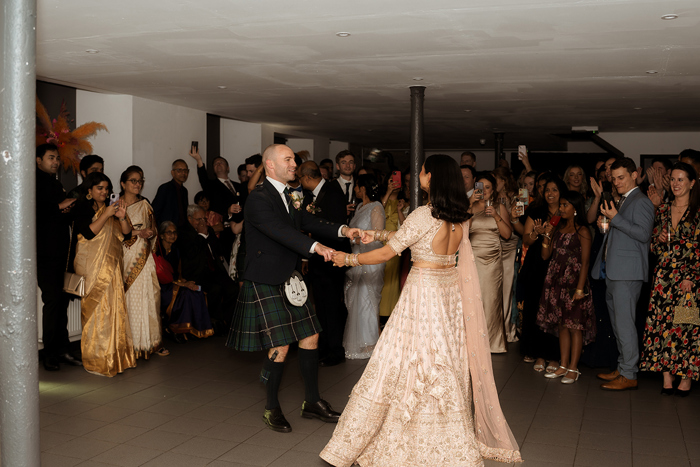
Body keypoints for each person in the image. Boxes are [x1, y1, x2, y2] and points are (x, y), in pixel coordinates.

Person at [320, 154, 521, 466]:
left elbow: (389, 252)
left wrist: (347, 259)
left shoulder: (423, 214)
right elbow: (410, 238)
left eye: (423, 171)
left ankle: (399, 433)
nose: (419, 175)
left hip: (421, 296)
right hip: (448, 297)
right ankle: (447, 435)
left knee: (402, 362)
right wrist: (378, 233)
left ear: (432, 177)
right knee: (443, 362)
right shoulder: (458, 216)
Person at [226, 144, 362, 433]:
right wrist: (315, 246)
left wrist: (342, 230)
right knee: (281, 343)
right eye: (288, 160)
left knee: (311, 335)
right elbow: (280, 230)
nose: (294, 164)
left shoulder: (293, 194)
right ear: (271, 165)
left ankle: (312, 402)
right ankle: (271, 407)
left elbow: (308, 221)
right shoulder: (258, 198)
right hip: (265, 277)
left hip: (289, 275)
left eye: (294, 159)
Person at [592, 158, 655, 391]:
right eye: (614, 178)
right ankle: (622, 368)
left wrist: (615, 218)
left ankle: (629, 373)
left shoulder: (641, 201)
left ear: (634, 175)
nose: (616, 182)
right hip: (614, 270)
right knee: (618, 324)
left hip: (627, 272)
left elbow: (643, 234)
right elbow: (621, 233)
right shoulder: (625, 200)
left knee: (625, 324)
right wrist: (605, 225)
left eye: (621, 177)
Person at [640, 162, 700, 396]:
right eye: (673, 179)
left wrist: (691, 276)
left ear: (692, 183)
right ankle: (666, 376)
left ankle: (685, 378)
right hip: (664, 277)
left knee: (686, 326)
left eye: (681, 179)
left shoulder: (697, 212)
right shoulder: (663, 209)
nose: (675, 184)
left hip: (688, 280)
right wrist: (660, 239)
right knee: (662, 325)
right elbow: (653, 244)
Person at [72, 172, 136, 377]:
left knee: (114, 311)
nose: (104, 192)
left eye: (107, 188)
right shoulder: (82, 207)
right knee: (96, 313)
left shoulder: (112, 208)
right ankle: (96, 360)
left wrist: (122, 216)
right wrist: (107, 214)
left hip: (112, 268)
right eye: (100, 188)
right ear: (89, 190)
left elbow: (126, 235)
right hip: (91, 269)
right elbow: (89, 233)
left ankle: (115, 357)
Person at [537, 191, 595, 384]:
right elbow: (545, 256)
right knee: (562, 324)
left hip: (574, 282)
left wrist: (579, 289)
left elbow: (586, 262)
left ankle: (573, 367)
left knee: (574, 326)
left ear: (575, 209)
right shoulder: (558, 229)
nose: (560, 209)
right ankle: (563, 365)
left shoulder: (583, 231)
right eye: (560, 205)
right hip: (556, 280)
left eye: (564, 205)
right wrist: (546, 235)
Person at [298, 160, 351, 367]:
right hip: (318, 259)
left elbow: (335, 226)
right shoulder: (313, 196)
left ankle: (335, 351)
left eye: (301, 178)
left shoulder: (333, 192)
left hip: (332, 259)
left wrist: (311, 228)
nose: (300, 182)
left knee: (331, 307)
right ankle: (324, 347)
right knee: (320, 306)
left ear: (308, 178)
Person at [36, 143, 82, 371]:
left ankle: (63, 349)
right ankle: (50, 354)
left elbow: (60, 216)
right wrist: (62, 205)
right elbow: (38, 213)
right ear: (38, 160)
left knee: (61, 302)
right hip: (45, 255)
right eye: (50, 157)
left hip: (61, 253)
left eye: (56, 158)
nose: (55, 162)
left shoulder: (54, 183)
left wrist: (69, 208)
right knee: (52, 302)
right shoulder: (32, 182)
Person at [518, 176, 567, 372]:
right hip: (537, 265)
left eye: (554, 190)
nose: (550, 194)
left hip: (559, 265)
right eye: (547, 190)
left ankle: (554, 357)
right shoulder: (536, 211)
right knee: (535, 308)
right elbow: (526, 241)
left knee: (555, 311)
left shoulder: (567, 212)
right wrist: (536, 233)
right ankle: (537, 352)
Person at [119, 166, 168, 358]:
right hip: (126, 256)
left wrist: (150, 233)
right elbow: (116, 233)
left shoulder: (145, 204)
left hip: (144, 256)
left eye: (140, 181)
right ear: (123, 183)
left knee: (150, 296)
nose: (137, 184)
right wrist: (138, 233)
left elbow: (154, 229)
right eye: (133, 180)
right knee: (130, 298)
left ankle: (151, 342)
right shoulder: (116, 205)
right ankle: (131, 344)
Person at [469, 173, 511, 353]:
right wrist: (469, 204)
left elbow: (507, 235)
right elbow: (460, 231)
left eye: (487, 187)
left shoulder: (499, 207)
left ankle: (492, 343)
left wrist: (496, 216)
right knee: (472, 300)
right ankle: (472, 342)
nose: (484, 191)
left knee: (491, 300)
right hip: (472, 259)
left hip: (493, 260)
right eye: (481, 186)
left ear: (493, 190)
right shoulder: (469, 207)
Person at [178, 205, 238, 332]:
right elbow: (191, 254)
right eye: (198, 219)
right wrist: (201, 235)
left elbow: (219, 249)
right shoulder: (184, 233)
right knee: (215, 289)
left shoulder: (208, 230)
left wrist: (208, 235)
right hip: (196, 273)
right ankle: (214, 321)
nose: (201, 223)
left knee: (232, 287)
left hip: (213, 270)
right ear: (189, 219)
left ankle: (227, 320)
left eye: (203, 219)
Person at [344, 174, 385, 359]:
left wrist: (357, 238)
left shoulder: (376, 207)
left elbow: (378, 235)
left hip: (370, 259)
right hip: (356, 257)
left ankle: (369, 344)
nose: (355, 190)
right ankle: (357, 343)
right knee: (354, 300)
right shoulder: (360, 207)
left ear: (363, 188)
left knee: (367, 302)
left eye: (357, 187)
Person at [155, 221, 213, 341]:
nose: (172, 235)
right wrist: (181, 283)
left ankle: (194, 329)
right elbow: (157, 276)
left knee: (196, 291)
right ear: (161, 235)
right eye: (169, 232)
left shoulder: (176, 250)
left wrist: (185, 282)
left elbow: (177, 273)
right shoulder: (156, 251)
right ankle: (175, 329)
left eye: (174, 232)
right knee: (184, 294)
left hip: (174, 283)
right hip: (160, 287)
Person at [493, 167, 519, 343]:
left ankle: (508, 328)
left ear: (503, 180)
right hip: (494, 245)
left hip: (509, 245)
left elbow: (519, 220)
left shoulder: (516, 197)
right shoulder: (490, 200)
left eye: (495, 180)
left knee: (508, 287)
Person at [378, 175, 402, 321]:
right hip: (379, 242)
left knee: (392, 281)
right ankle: (379, 314)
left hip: (396, 244)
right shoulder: (382, 200)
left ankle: (390, 314)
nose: (395, 182)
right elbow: (378, 210)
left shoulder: (403, 203)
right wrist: (388, 191)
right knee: (381, 278)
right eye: (392, 180)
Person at [152, 159, 190, 226]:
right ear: (172, 173)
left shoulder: (184, 190)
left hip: (182, 230)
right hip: (167, 230)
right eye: (179, 170)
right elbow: (155, 211)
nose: (183, 173)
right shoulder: (165, 188)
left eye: (185, 170)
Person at [335, 150, 357, 221]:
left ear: (354, 166)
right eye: (343, 163)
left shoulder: (360, 185)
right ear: (338, 166)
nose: (348, 166)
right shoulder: (330, 186)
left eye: (351, 162)